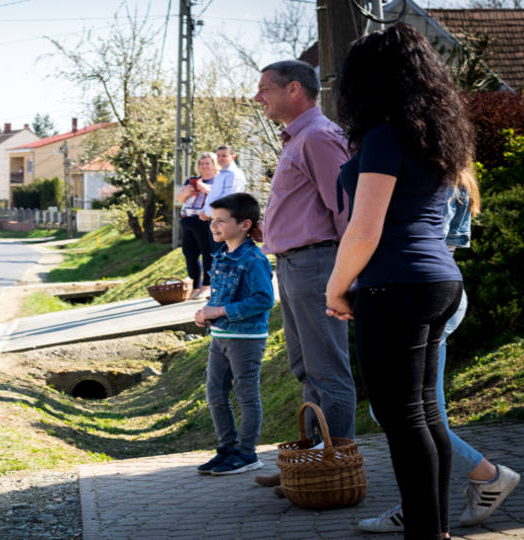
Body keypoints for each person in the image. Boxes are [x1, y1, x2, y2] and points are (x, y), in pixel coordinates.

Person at [325, 24, 471, 539]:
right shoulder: (434, 133)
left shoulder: (387, 136)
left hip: (394, 284)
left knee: (403, 418)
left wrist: (335, 288)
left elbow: (365, 230)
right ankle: (436, 530)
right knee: (424, 414)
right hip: (437, 282)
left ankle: (425, 533)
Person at [357, 167, 520, 533]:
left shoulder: (428, 178)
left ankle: (485, 477)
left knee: (410, 414)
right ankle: (423, 503)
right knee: (422, 412)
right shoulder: (454, 179)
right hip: (437, 293)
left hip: (419, 296)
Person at [252, 59, 355, 491]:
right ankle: (311, 459)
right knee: (305, 367)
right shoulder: (299, 137)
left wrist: (345, 278)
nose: (259, 98)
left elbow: (346, 209)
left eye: (265, 90)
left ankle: (334, 466)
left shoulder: (318, 137)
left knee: (327, 369)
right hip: (295, 265)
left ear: (294, 89)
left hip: (317, 265)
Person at [193, 193, 275, 476]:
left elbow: (264, 299)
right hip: (220, 336)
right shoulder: (220, 255)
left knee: (246, 396)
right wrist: (206, 312)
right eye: (212, 220)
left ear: (244, 224)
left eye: (221, 221)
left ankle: (247, 453)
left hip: (246, 339)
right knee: (215, 393)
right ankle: (227, 449)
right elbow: (220, 300)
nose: (213, 226)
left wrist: (220, 311)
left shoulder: (253, 258)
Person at [176, 153, 219, 300]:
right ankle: (194, 286)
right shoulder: (191, 180)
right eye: (201, 163)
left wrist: (205, 188)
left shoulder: (218, 180)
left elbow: (220, 197)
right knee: (189, 254)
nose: (204, 166)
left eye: (207, 163)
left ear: (214, 164)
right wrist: (186, 192)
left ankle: (207, 286)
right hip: (187, 219)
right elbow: (179, 199)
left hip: (205, 220)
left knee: (207, 252)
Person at [202, 145, 249, 218]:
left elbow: (227, 198)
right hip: (217, 217)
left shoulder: (233, 174)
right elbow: (214, 195)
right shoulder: (221, 174)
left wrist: (208, 212)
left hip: (226, 218)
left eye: (224, 156)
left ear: (233, 157)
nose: (220, 158)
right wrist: (206, 211)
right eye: (218, 156)